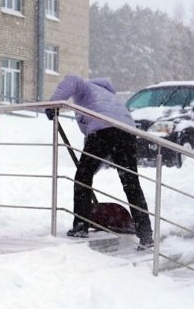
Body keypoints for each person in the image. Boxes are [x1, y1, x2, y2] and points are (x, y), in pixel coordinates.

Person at [46, 74, 154, 248]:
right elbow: (93, 133)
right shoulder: (111, 97)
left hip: (103, 132)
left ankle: (81, 225)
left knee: (82, 178)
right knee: (131, 183)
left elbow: (72, 79)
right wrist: (89, 166)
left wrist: (53, 105)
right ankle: (146, 233)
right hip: (126, 134)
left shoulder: (87, 88)